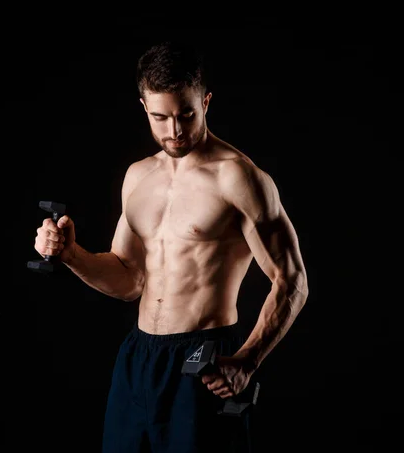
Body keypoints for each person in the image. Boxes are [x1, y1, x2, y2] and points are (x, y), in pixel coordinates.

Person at [34, 41, 309, 453]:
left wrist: (247, 361)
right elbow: (129, 278)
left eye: (186, 115)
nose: (175, 131)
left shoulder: (238, 178)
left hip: (203, 357)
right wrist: (70, 254)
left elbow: (293, 281)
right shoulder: (138, 177)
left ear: (206, 101)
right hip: (138, 357)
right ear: (144, 106)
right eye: (161, 117)